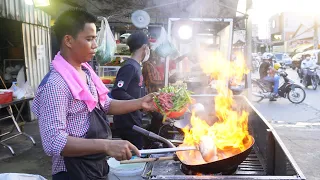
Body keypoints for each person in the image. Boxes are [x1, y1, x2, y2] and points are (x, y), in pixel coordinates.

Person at [32, 9, 156, 180]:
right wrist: (106, 145)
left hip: (95, 165)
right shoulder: (55, 85)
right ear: (68, 40)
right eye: (89, 39)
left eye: (94, 39)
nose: (95, 45)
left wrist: (141, 102)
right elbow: (53, 142)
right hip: (72, 172)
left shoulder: (87, 72)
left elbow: (105, 104)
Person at [111, 31, 150, 150]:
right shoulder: (130, 67)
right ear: (144, 47)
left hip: (134, 118)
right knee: (134, 154)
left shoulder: (137, 66)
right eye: (148, 47)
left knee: (136, 151)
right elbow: (117, 91)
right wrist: (138, 104)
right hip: (127, 121)